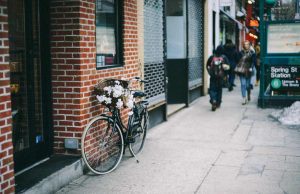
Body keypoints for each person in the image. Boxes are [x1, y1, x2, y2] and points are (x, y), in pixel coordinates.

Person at [206, 45, 230, 111]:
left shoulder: (212, 57)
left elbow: (207, 65)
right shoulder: (224, 57)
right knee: (219, 90)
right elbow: (228, 67)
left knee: (212, 89)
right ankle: (218, 103)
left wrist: (210, 73)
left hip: (213, 77)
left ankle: (213, 100)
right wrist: (226, 75)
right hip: (221, 77)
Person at [236, 40, 256, 105]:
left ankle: (248, 93)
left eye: (247, 44)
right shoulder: (240, 53)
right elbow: (237, 60)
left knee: (247, 85)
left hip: (249, 70)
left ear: (249, 45)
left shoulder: (252, 53)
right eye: (245, 44)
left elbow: (253, 61)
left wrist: (251, 67)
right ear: (243, 45)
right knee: (243, 84)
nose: (246, 45)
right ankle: (244, 98)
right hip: (242, 70)